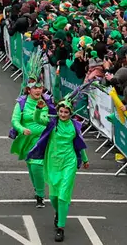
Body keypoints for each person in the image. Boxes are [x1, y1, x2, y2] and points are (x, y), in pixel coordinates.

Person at [27, 99, 89, 243]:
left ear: (70, 113)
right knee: (54, 197)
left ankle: (61, 227)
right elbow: (37, 119)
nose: (63, 114)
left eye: (66, 112)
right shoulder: (52, 123)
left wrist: (85, 159)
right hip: (53, 162)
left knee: (63, 196)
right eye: (61, 111)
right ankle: (59, 213)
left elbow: (79, 144)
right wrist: (38, 108)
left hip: (69, 162)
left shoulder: (75, 126)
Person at [10, 78, 51, 207]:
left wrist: (39, 112)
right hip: (26, 139)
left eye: (40, 87)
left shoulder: (46, 102)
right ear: (29, 89)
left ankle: (40, 195)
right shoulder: (21, 103)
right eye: (35, 88)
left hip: (42, 139)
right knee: (30, 164)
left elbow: (44, 121)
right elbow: (15, 120)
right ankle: (37, 189)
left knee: (36, 164)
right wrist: (22, 129)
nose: (38, 90)